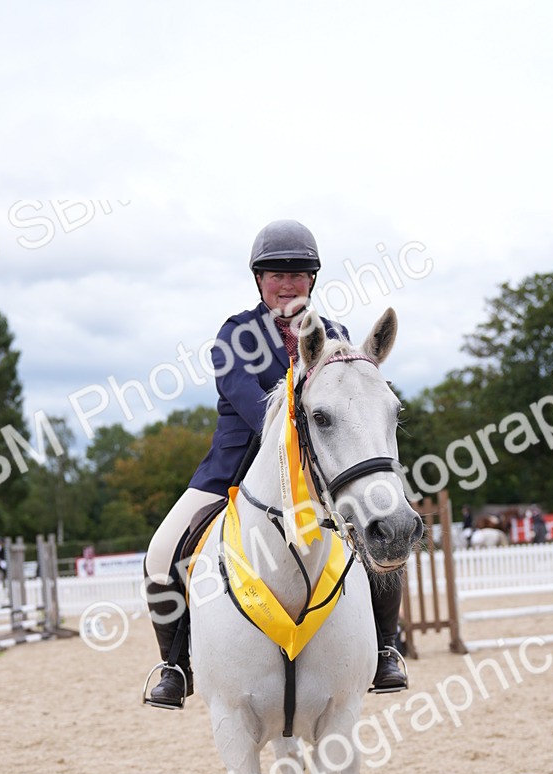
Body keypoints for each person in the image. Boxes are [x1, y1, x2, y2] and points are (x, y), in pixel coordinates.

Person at [143, 219, 407, 709]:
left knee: (375, 529)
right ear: (259, 280)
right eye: (275, 274)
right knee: (161, 555)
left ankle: (387, 647)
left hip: (315, 474)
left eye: (298, 274)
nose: (287, 283)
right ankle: (175, 665)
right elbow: (246, 399)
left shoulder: (336, 334)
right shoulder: (235, 335)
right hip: (235, 470)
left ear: (313, 279)